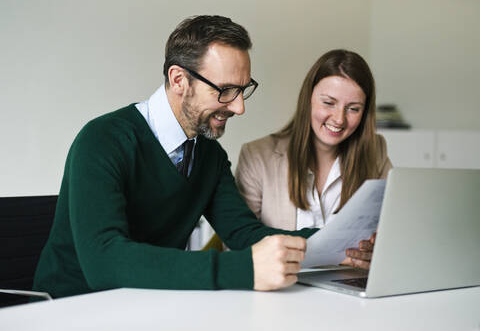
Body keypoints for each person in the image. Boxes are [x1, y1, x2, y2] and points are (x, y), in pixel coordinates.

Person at [32, 15, 318, 298]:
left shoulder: (210, 156)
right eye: (226, 90)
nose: (239, 107)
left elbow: (244, 233)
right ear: (179, 79)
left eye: (242, 90)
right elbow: (105, 262)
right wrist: (243, 268)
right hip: (70, 308)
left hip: (151, 304)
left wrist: (337, 244)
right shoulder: (102, 140)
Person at [235, 49, 392, 270]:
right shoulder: (257, 156)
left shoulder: (376, 152)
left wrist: (377, 250)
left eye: (353, 109)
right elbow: (236, 245)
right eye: (329, 103)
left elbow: (393, 233)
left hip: (349, 288)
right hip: (282, 289)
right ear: (308, 98)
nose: (339, 119)